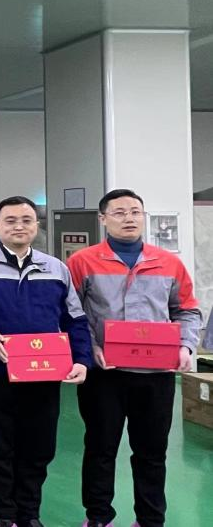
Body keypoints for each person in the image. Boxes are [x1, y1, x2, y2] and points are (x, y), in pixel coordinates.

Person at [0, 195, 92, 527]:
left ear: (36, 226)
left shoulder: (55, 269)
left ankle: (29, 513)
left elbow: (75, 318)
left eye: (26, 220)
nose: (19, 226)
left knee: (39, 447)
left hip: (44, 374)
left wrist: (82, 359)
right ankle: (3, 515)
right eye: (10, 220)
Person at [67, 189, 201, 527]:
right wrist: (90, 348)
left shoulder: (169, 263)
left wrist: (185, 346)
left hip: (156, 375)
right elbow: (71, 313)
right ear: (103, 219)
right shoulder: (82, 262)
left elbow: (187, 310)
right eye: (120, 212)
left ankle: (150, 519)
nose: (129, 218)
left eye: (135, 212)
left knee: (151, 452)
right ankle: (98, 518)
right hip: (104, 374)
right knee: (100, 448)